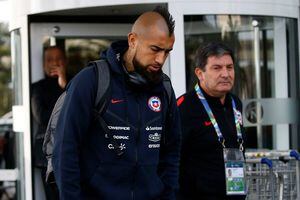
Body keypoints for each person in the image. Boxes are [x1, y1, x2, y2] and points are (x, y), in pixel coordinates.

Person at [53, 6, 181, 200]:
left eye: (167, 52)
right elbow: (65, 151)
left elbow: (171, 154)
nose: (160, 59)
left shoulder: (164, 90)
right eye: (155, 49)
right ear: (133, 40)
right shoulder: (91, 81)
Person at [176, 42, 246, 200]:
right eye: (217, 68)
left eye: (229, 67)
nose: (225, 74)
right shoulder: (184, 107)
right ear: (200, 73)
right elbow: (171, 162)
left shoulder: (235, 103)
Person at [31, 45, 68, 200]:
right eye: (49, 60)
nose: (54, 63)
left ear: (65, 62)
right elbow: (43, 118)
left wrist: (64, 85)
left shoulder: (73, 84)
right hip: (47, 155)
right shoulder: (37, 88)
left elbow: (79, 112)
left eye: (58, 59)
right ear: (43, 64)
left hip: (72, 151)